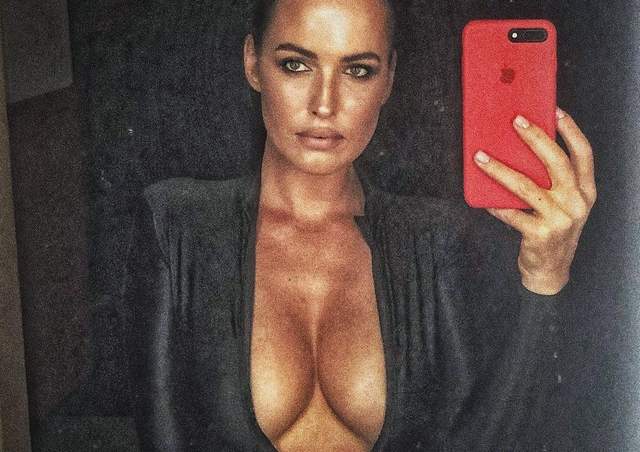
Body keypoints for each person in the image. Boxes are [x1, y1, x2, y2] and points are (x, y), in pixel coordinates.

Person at [126, 0, 596, 450]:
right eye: (295, 65)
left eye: (358, 71)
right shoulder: (178, 225)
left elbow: (486, 442)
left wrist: (544, 280)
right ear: (253, 62)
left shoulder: (434, 241)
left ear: (388, 78)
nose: (324, 104)